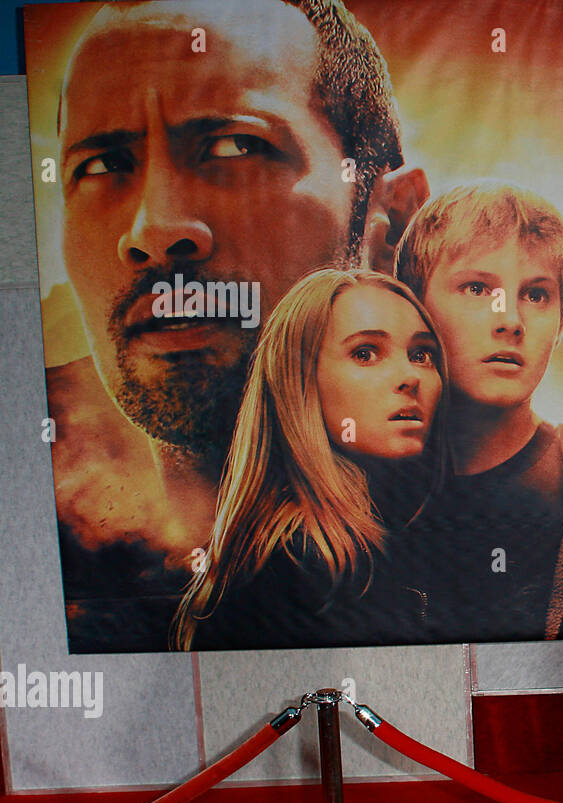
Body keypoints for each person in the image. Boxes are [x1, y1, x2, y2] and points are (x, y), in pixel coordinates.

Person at [48, 0, 429, 649]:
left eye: (235, 146)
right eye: (104, 165)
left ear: (389, 222)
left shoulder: (531, 533)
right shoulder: (48, 550)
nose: (155, 232)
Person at [393, 180, 563, 641]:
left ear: (560, 324)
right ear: (413, 309)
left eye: (536, 295)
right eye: (477, 288)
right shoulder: (356, 491)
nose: (510, 321)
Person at [171, 269, 449, 650]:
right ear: (300, 381)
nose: (409, 377)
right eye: (365, 353)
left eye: (421, 354)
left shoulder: (372, 538)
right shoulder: (302, 563)